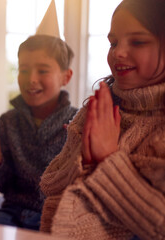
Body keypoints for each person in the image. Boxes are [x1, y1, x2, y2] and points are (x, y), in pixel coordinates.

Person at [39, 0, 165, 238]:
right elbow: (50, 184)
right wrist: (85, 161)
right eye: (113, 42)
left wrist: (106, 160)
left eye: (137, 41)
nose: (118, 52)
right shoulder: (95, 110)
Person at [0, 34, 77, 230]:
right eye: (23, 70)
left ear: (66, 77)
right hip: (12, 212)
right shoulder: (8, 122)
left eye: (42, 70)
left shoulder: (77, 123)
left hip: (60, 216)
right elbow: (3, 185)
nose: (31, 79)